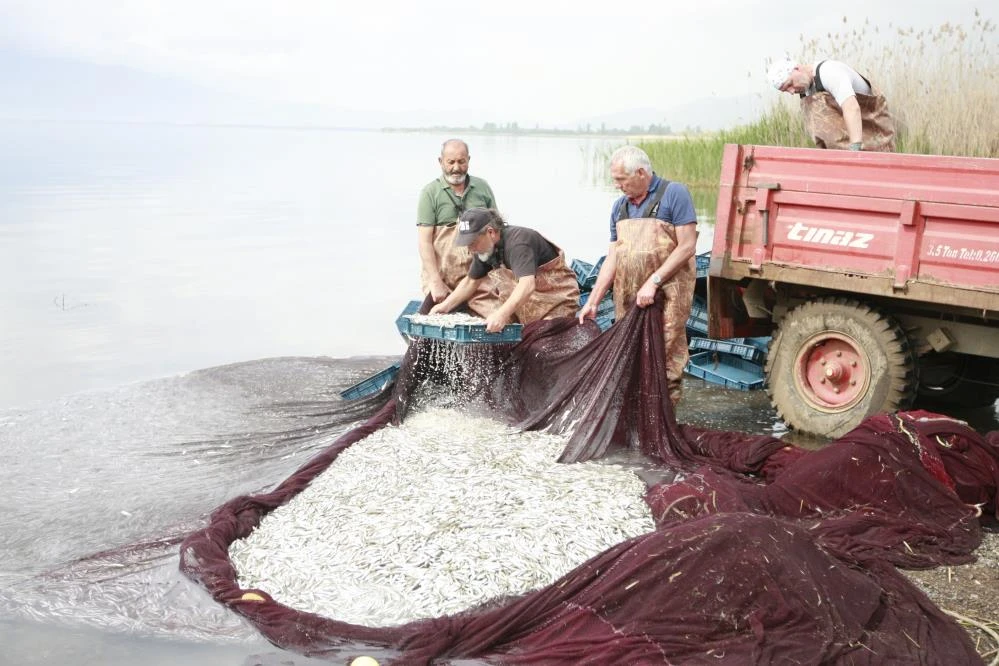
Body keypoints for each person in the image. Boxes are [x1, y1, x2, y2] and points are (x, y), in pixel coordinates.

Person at [578, 145, 698, 406]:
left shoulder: (674, 194)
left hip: (667, 293)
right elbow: (613, 256)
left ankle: (664, 421)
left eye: (621, 180)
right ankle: (637, 417)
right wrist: (594, 301)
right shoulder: (619, 207)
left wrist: (654, 282)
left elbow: (687, 246)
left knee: (665, 357)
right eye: (615, 180)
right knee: (631, 357)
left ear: (641, 173)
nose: (617, 186)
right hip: (629, 296)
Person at [430, 208, 579, 333]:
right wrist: (445, 307)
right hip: (526, 308)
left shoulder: (519, 242)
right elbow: (470, 282)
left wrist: (501, 314)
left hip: (557, 302)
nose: (470, 249)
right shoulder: (484, 250)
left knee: (539, 341)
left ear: (491, 232)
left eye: (472, 242)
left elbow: (527, 285)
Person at [416, 139, 497, 303]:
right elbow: (424, 242)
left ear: (469, 160)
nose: (456, 168)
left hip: (480, 278)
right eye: (450, 162)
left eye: (461, 162)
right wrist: (435, 281)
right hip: (442, 278)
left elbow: (497, 230)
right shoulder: (429, 193)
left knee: (496, 317)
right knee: (437, 315)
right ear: (440, 162)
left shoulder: (483, 188)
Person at [767, 57, 896, 152]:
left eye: (790, 84)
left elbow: (852, 107)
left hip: (871, 138)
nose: (791, 91)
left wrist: (855, 150)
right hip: (842, 150)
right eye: (786, 90)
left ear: (797, 69)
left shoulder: (829, 73)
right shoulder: (806, 89)